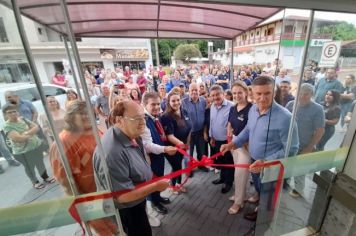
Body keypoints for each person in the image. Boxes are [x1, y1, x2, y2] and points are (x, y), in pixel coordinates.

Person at [220, 76, 299, 235]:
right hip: (255, 163)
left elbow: (292, 148)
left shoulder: (285, 117)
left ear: (274, 92)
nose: (262, 98)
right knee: (261, 193)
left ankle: (262, 228)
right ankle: (260, 212)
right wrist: (232, 144)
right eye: (258, 94)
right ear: (252, 94)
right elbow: (248, 131)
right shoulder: (253, 110)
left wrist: (267, 161)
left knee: (269, 201)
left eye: (267, 93)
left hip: (271, 168)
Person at [93, 101, 169, 236]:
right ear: (119, 120)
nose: (143, 123)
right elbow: (122, 196)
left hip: (137, 202)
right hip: (127, 209)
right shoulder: (112, 153)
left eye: (143, 117)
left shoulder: (130, 134)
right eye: (137, 119)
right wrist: (155, 186)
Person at [49, 101, 117, 236]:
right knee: (107, 231)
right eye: (81, 113)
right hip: (89, 199)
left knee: (117, 227)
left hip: (108, 191)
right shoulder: (63, 141)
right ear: (71, 117)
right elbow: (65, 181)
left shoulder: (94, 130)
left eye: (88, 112)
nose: (86, 116)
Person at [2, 104, 55, 189]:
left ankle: (45, 177)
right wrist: (31, 132)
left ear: (17, 111)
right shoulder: (7, 126)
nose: (13, 114)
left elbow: (37, 127)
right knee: (30, 167)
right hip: (22, 152)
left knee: (40, 163)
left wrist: (26, 133)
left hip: (35, 146)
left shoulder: (23, 119)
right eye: (9, 112)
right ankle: (35, 182)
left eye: (14, 111)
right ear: (5, 114)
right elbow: (18, 139)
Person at [286, 83, 325, 197]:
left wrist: (309, 148)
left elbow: (320, 130)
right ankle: (285, 183)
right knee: (287, 165)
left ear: (312, 95)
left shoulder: (317, 109)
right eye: (300, 93)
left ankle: (298, 189)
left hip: (304, 145)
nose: (302, 96)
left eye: (306, 94)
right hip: (288, 143)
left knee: (300, 170)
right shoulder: (290, 104)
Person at [141, 92, 177, 215]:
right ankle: (154, 202)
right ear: (145, 105)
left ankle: (158, 197)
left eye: (158, 104)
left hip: (159, 155)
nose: (157, 107)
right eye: (153, 104)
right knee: (153, 180)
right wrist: (166, 149)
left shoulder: (154, 117)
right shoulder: (144, 121)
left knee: (159, 176)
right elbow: (147, 145)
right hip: (150, 157)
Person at [227, 81, 252, 214]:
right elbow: (230, 122)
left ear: (246, 92)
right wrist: (229, 130)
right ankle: (244, 195)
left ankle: (238, 202)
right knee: (242, 173)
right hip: (234, 143)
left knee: (240, 174)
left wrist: (246, 143)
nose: (236, 95)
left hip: (246, 145)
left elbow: (253, 129)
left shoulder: (252, 109)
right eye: (234, 93)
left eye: (239, 93)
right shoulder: (233, 107)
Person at [160, 91, 192, 194]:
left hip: (182, 147)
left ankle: (178, 184)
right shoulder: (166, 117)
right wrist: (182, 145)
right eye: (173, 101)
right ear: (168, 102)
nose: (176, 102)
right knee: (176, 166)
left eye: (178, 100)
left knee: (178, 166)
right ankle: (173, 186)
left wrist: (187, 143)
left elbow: (189, 127)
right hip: (172, 148)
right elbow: (170, 136)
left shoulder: (184, 111)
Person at [209, 85, 234, 194]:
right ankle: (222, 178)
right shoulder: (212, 106)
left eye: (217, 94)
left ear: (223, 94)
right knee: (221, 161)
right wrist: (212, 136)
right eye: (213, 95)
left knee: (229, 162)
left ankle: (228, 182)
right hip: (216, 140)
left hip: (227, 142)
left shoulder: (232, 106)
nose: (215, 97)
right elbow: (212, 122)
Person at [181, 83, 208, 173]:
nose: (194, 92)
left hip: (200, 131)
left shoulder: (203, 101)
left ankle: (201, 165)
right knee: (189, 153)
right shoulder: (183, 102)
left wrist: (205, 132)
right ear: (188, 91)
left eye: (196, 90)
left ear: (199, 90)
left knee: (201, 151)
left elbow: (205, 115)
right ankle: (188, 170)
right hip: (189, 134)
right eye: (192, 90)